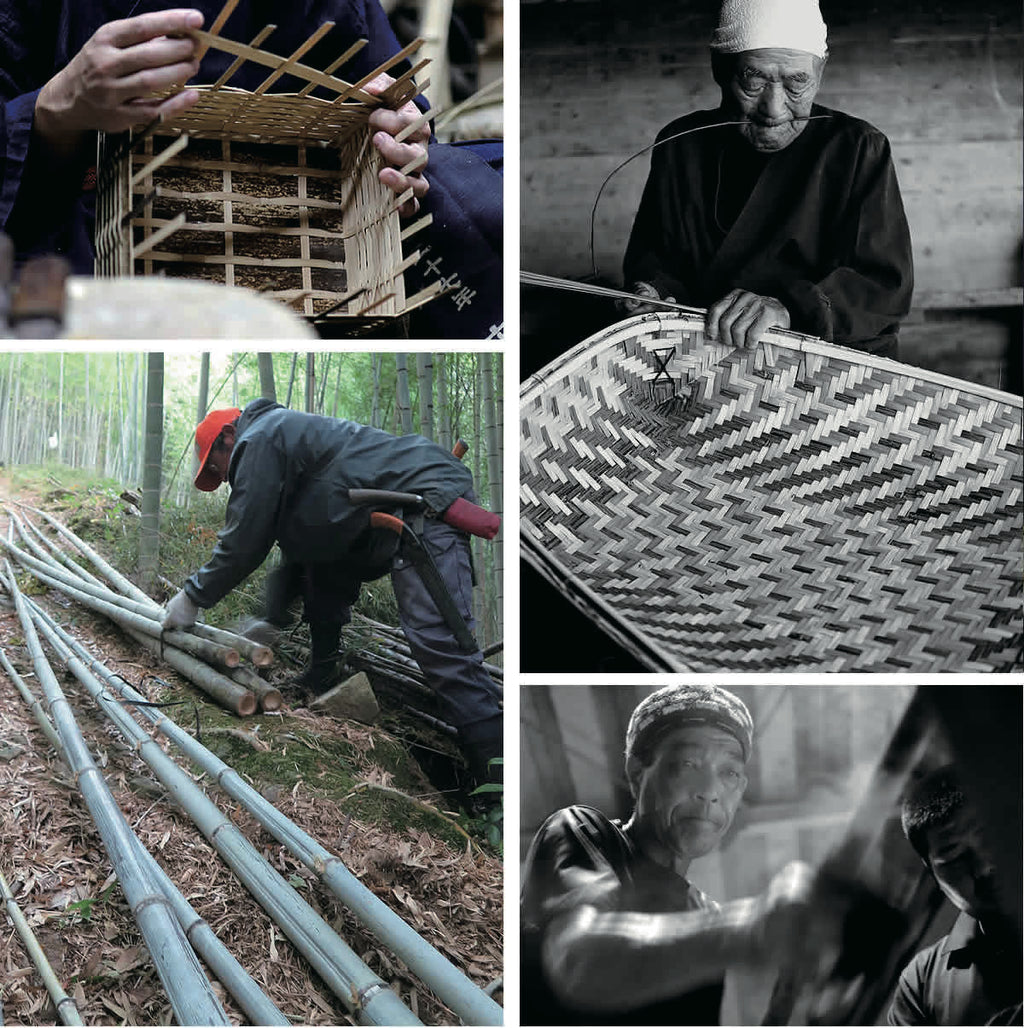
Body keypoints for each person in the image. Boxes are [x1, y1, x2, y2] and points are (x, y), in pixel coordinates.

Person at [0, 1, 501, 337]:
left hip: (318, 244)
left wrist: (400, 140)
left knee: (484, 188)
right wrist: (55, 108)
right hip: (74, 237)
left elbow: (392, 97)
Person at [160, 399, 503, 785]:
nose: (223, 478)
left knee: (441, 649)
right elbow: (306, 555)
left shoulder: (259, 439)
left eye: (216, 467)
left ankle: (498, 782)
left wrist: (192, 597)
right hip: (383, 516)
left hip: (424, 502)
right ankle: (324, 672)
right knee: (318, 563)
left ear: (227, 437)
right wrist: (271, 617)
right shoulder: (285, 440)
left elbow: (245, 541)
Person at [520, 683, 843, 1025]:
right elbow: (577, 960)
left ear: (740, 790)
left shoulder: (705, 914)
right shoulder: (584, 832)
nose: (709, 791)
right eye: (688, 764)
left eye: (729, 773)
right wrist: (751, 930)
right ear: (636, 774)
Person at [621, 0, 913, 355]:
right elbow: (656, 257)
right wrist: (653, 291)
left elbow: (882, 287)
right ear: (720, 69)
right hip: (701, 359)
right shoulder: (682, 143)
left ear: (819, 75)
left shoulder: (857, 148)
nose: (773, 109)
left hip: (823, 365)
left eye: (796, 83)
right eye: (754, 80)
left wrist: (787, 310)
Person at [888, 766, 1022, 1026]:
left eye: (990, 840)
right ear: (932, 872)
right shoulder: (921, 983)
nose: (983, 868)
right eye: (954, 857)